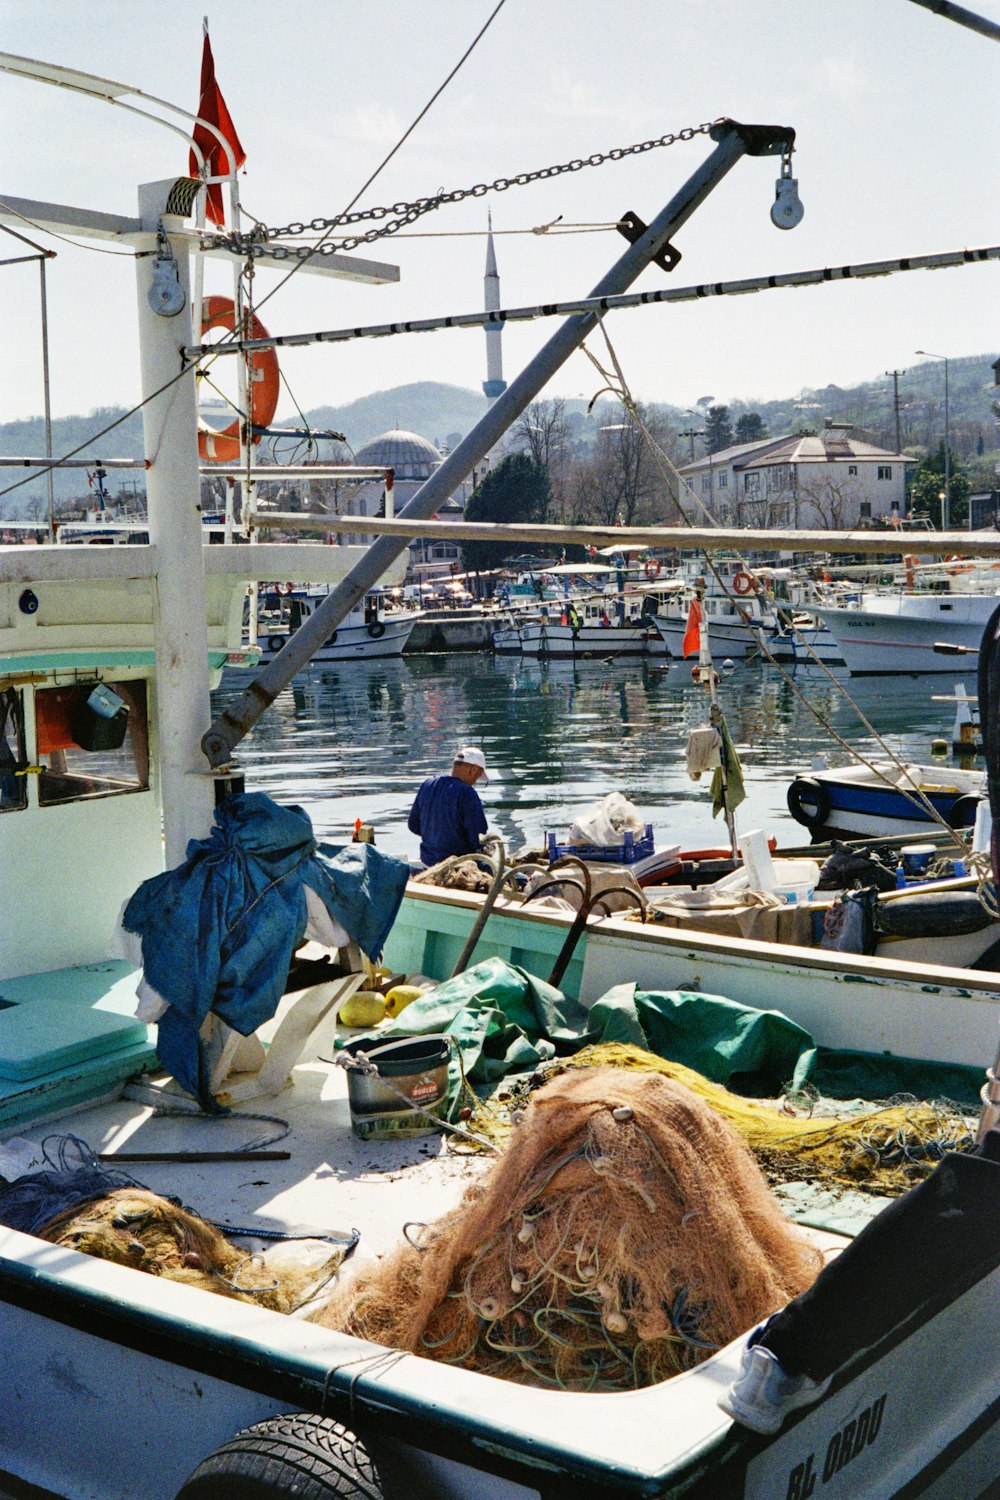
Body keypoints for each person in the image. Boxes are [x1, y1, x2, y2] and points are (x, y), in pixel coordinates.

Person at [408, 746, 489, 868]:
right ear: (473, 770)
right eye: (477, 776)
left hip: (427, 863)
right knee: (520, 879)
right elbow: (477, 838)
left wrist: (436, 837)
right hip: (457, 866)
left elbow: (413, 825)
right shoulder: (467, 792)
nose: (475, 781)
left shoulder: (427, 784)